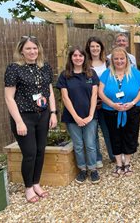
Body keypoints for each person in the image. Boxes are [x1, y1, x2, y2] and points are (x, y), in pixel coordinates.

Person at [4, 35, 57, 203]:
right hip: (24, 117)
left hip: (43, 116)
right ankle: (28, 188)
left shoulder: (45, 67)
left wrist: (53, 112)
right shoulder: (14, 69)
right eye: (28, 48)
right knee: (30, 153)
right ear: (21, 50)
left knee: (41, 151)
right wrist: (19, 121)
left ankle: (36, 183)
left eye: (35, 48)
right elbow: (9, 97)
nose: (32, 51)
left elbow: (49, 91)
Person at [99, 47, 140, 177]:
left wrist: (132, 102)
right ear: (112, 61)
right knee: (115, 136)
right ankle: (119, 163)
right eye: (116, 59)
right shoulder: (106, 74)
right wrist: (112, 104)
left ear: (127, 59)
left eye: (122, 58)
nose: (119, 61)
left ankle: (127, 163)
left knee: (130, 135)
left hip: (132, 109)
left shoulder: (135, 73)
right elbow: (100, 92)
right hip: (111, 110)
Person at [56, 46, 100, 184]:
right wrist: (75, 117)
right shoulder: (65, 75)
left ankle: (93, 169)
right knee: (79, 145)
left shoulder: (91, 74)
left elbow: (94, 95)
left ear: (84, 58)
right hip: (72, 117)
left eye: (80, 55)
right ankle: (82, 169)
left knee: (90, 144)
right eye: (75, 55)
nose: (78, 58)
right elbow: (65, 97)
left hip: (90, 117)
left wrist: (90, 115)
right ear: (71, 58)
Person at [85, 37, 115, 166]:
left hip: (106, 102)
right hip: (89, 103)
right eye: (92, 46)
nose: (95, 49)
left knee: (108, 130)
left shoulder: (108, 63)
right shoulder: (85, 64)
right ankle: (97, 158)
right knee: (93, 132)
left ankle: (114, 155)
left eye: (97, 46)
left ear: (101, 48)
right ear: (88, 48)